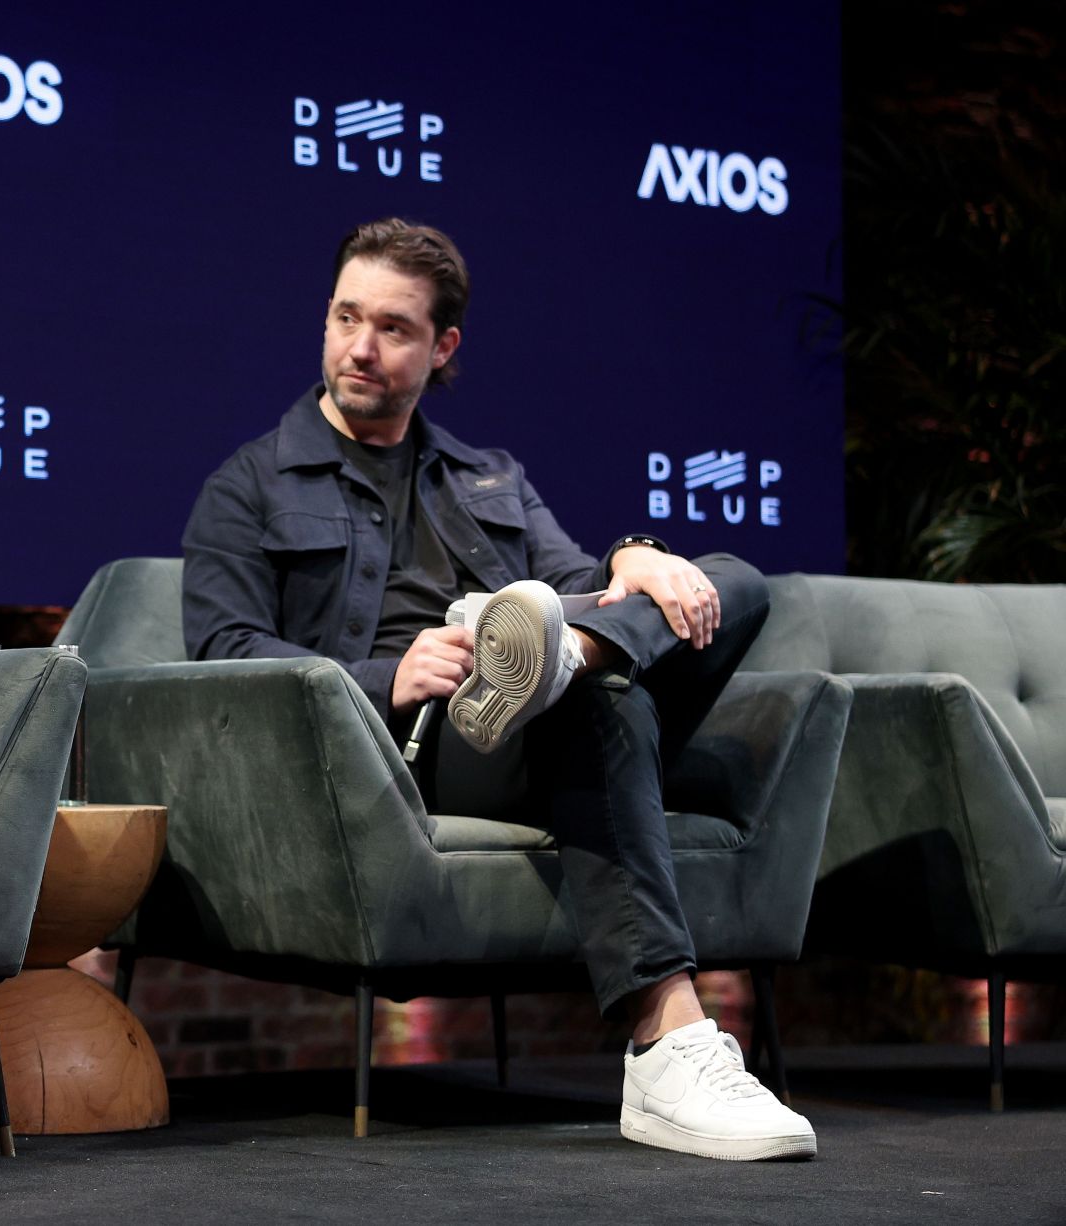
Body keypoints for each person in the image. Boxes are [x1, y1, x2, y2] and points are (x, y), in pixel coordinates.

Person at [181, 217, 816, 1162]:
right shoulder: (251, 484)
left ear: (443, 349)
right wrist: (387, 677)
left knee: (731, 579)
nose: (361, 347)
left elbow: (580, 580)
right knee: (601, 706)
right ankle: (668, 1040)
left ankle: (570, 665)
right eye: (346, 318)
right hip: (416, 744)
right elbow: (222, 656)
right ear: (324, 321)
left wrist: (634, 556)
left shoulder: (490, 478)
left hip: (536, 707)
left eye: (394, 328)